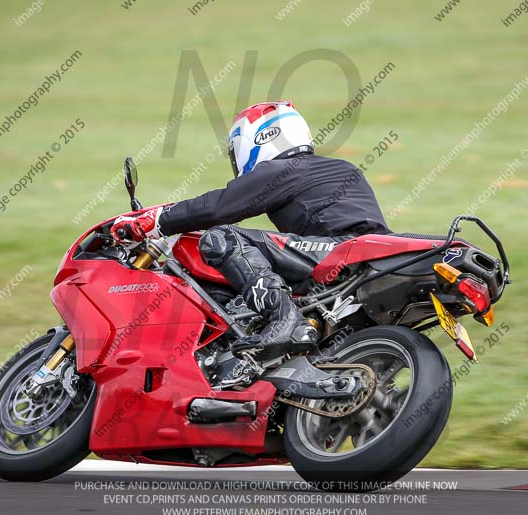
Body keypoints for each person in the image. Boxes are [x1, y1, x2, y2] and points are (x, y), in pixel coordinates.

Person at [112, 101, 390, 361]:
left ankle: (285, 320)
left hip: (342, 252)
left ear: (259, 138)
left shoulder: (285, 169)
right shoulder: (338, 167)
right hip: (372, 261)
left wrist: (153, 220)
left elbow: (218, 208)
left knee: (222, 237)